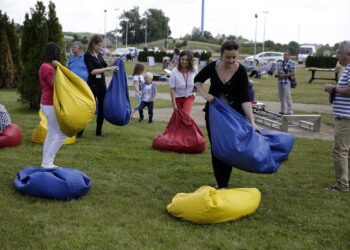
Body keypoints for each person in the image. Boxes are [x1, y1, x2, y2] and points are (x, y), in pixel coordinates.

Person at [194, 40, 262, 189]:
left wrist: (252, 121)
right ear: (221, 55)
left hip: (234, 117)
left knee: (229, 147)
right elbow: (197, 81)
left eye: (234, 58)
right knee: (217, 148)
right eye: (228, 57)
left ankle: (225, 180)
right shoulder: (213, 66)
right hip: (214, 116)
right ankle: (221, 183)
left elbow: (245, 98)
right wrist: (205, 94)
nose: (231, 61)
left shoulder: (241, 71)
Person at [324, 40, 350, 192]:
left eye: (339, 52)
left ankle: (341, 185)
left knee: (340, 150)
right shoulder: (346, 68)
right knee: (346, 151)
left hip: (346, 119)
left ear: (348, 54)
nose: (337, 55)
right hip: (345, 117)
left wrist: (333, 88)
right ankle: (346, 181)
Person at [84, 35, 118, 136]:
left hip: (101, 85)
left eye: (101, 45)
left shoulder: (98, 54)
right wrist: (107, 69)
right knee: (89, 108)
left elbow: (105, 66)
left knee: (102, 108)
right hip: (92, 85)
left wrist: (113, 63)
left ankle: (98, 132)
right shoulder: (87, 55)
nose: (100, 47)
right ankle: (79, 131)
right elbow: (92, 71)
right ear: (93, 44)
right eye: (99, 45)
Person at [39, 42, 67, 168]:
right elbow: (53, 84)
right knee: (63, 133)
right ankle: (48, 162)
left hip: (48, 103)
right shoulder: (47, 67)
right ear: (54, 53)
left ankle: (46, 162)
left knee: (51, 134)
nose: (60, 55)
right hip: (50, 104)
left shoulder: (47, 66)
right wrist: (56, 69)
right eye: (58, 52)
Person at [169, 50, 198, 115]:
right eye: (182, 59)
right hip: (178, 98)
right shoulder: (174, 72)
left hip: (189, 96)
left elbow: (198, 81)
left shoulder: (194, 69)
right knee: (178, 117)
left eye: (187, 60)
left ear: (190, 61)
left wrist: (196, 87)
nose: (184, 61)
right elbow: (172, 89)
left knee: (185, 115)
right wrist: (174, 104)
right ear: (179, 59)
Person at [276, 50, 296, 115]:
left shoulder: (291, 63)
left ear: (289, 56)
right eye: (284, 54)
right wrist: (278, 75)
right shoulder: (281, 62)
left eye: (286, 55)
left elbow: (293, 73)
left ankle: (290, 111)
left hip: (287, 82)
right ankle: (282, 111)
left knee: (288, 97)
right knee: (281, 97)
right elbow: (280, 71)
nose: (284, 56)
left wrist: (283, 75)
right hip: (280, 81)